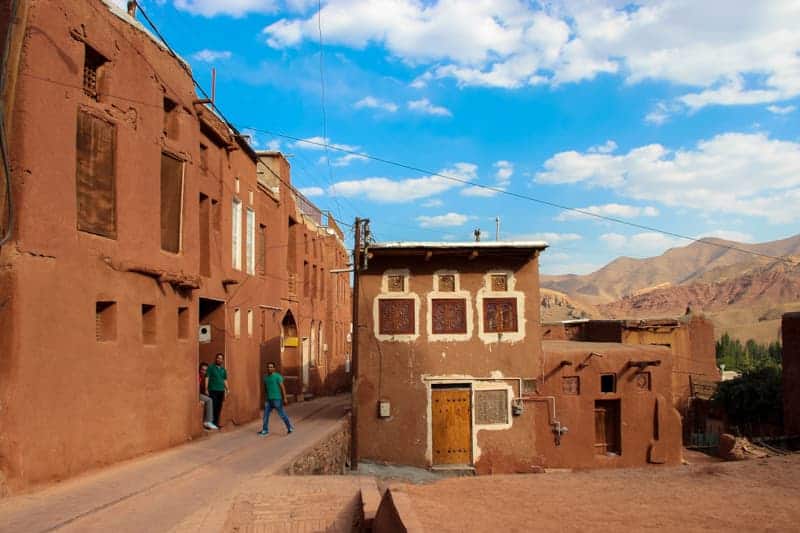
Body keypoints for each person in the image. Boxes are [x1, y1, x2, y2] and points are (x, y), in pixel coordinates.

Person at [259, 362, 294, 436]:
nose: (270, 368)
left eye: (271, 367)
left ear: (274, 368)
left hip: (277, 399)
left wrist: (285, 398)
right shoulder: (266, 378)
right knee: (265, 415)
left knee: (282, 415)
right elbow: (265, 389)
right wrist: (264, 398)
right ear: (267, 368)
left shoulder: (278, 376)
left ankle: (289, 427)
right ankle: (265, 430)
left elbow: (282, 387)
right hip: (268, 400)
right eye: (268, 367)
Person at [205, 353, 229, 428]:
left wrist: (227, 389)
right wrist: (206, 389)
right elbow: (207, 378)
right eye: (218, 358)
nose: (219, 359)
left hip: (221, 391)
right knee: (213, 406)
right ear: (216, 359)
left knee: (219, 407)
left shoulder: (223, 370)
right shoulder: (211, 368)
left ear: (222, 360)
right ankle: (209, 423)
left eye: (221, 358)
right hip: (213, 390)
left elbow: (225, 380)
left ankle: (216, 423)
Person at [198, 363, 218, 430]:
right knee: (209, 400)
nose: (204, 371)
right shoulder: (198, 377)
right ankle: (208, 421)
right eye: (202, 370)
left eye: (206, 370)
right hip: (196, 395)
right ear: (199, 370)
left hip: (201, 395)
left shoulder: (207, 378)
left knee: (213, 398)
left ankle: (211, 421)